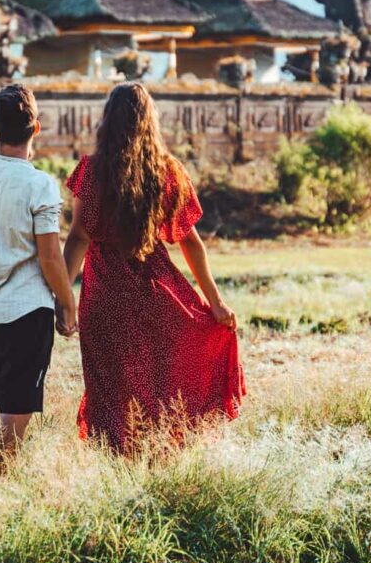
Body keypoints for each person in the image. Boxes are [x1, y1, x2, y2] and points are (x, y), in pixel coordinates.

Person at [61, 81, 245, 452]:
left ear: (107, 121)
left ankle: (118, 460)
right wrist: (215, 302)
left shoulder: (91, 171)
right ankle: (156, 452)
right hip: (153, 290)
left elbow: (80, 236)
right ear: (150, 121)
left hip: (104, 293)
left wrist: (62, 298)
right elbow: (190, 241)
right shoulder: (169, 171)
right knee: (159, 380)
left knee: (110, 384)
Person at [0, 83, 77, 460]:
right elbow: (51, 258)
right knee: (16, 410)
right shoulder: (40, 184)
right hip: (28, 311)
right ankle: (0, 484)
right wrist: (68, 304)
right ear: (36, 129)